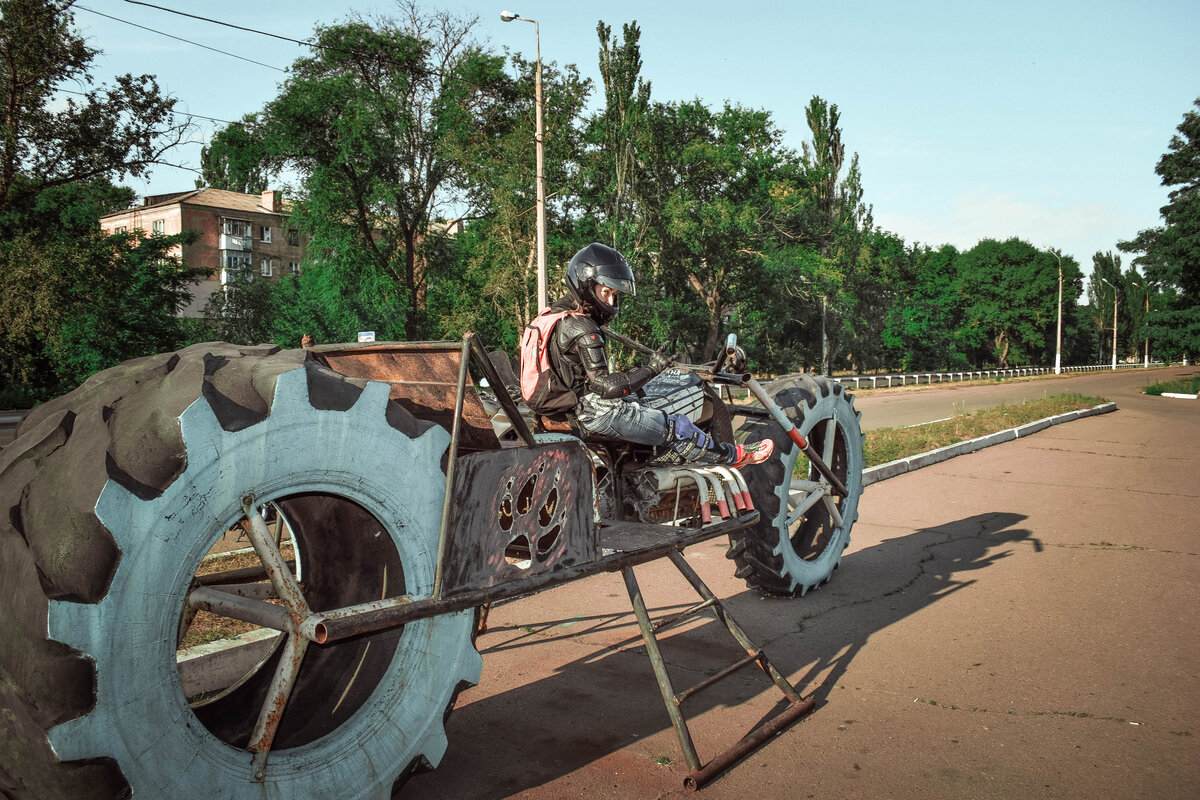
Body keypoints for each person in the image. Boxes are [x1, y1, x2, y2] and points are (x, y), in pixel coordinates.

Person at [525, 242, 772, 468]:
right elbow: (605, 387)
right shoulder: (582, 326)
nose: (611, 302)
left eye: (615, 295)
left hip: (560, 411)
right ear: (587, 285)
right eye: (606, 293)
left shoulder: (548, 317)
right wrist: (653, 369)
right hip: (591, 414)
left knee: (641, 403)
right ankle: (735, 456)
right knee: (676, 427)